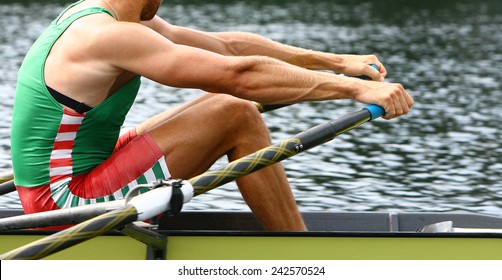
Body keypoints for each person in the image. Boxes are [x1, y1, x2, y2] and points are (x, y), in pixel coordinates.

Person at [11, 0, 413, 231]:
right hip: (62, 205)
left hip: (73, 175)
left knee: (209, 108)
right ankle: (300, 255)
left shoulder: (100, 14)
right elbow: (240, 76)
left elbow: (226, 47)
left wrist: (338, 62)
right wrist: (357, 89)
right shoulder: (108, 35)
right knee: (233, 112)